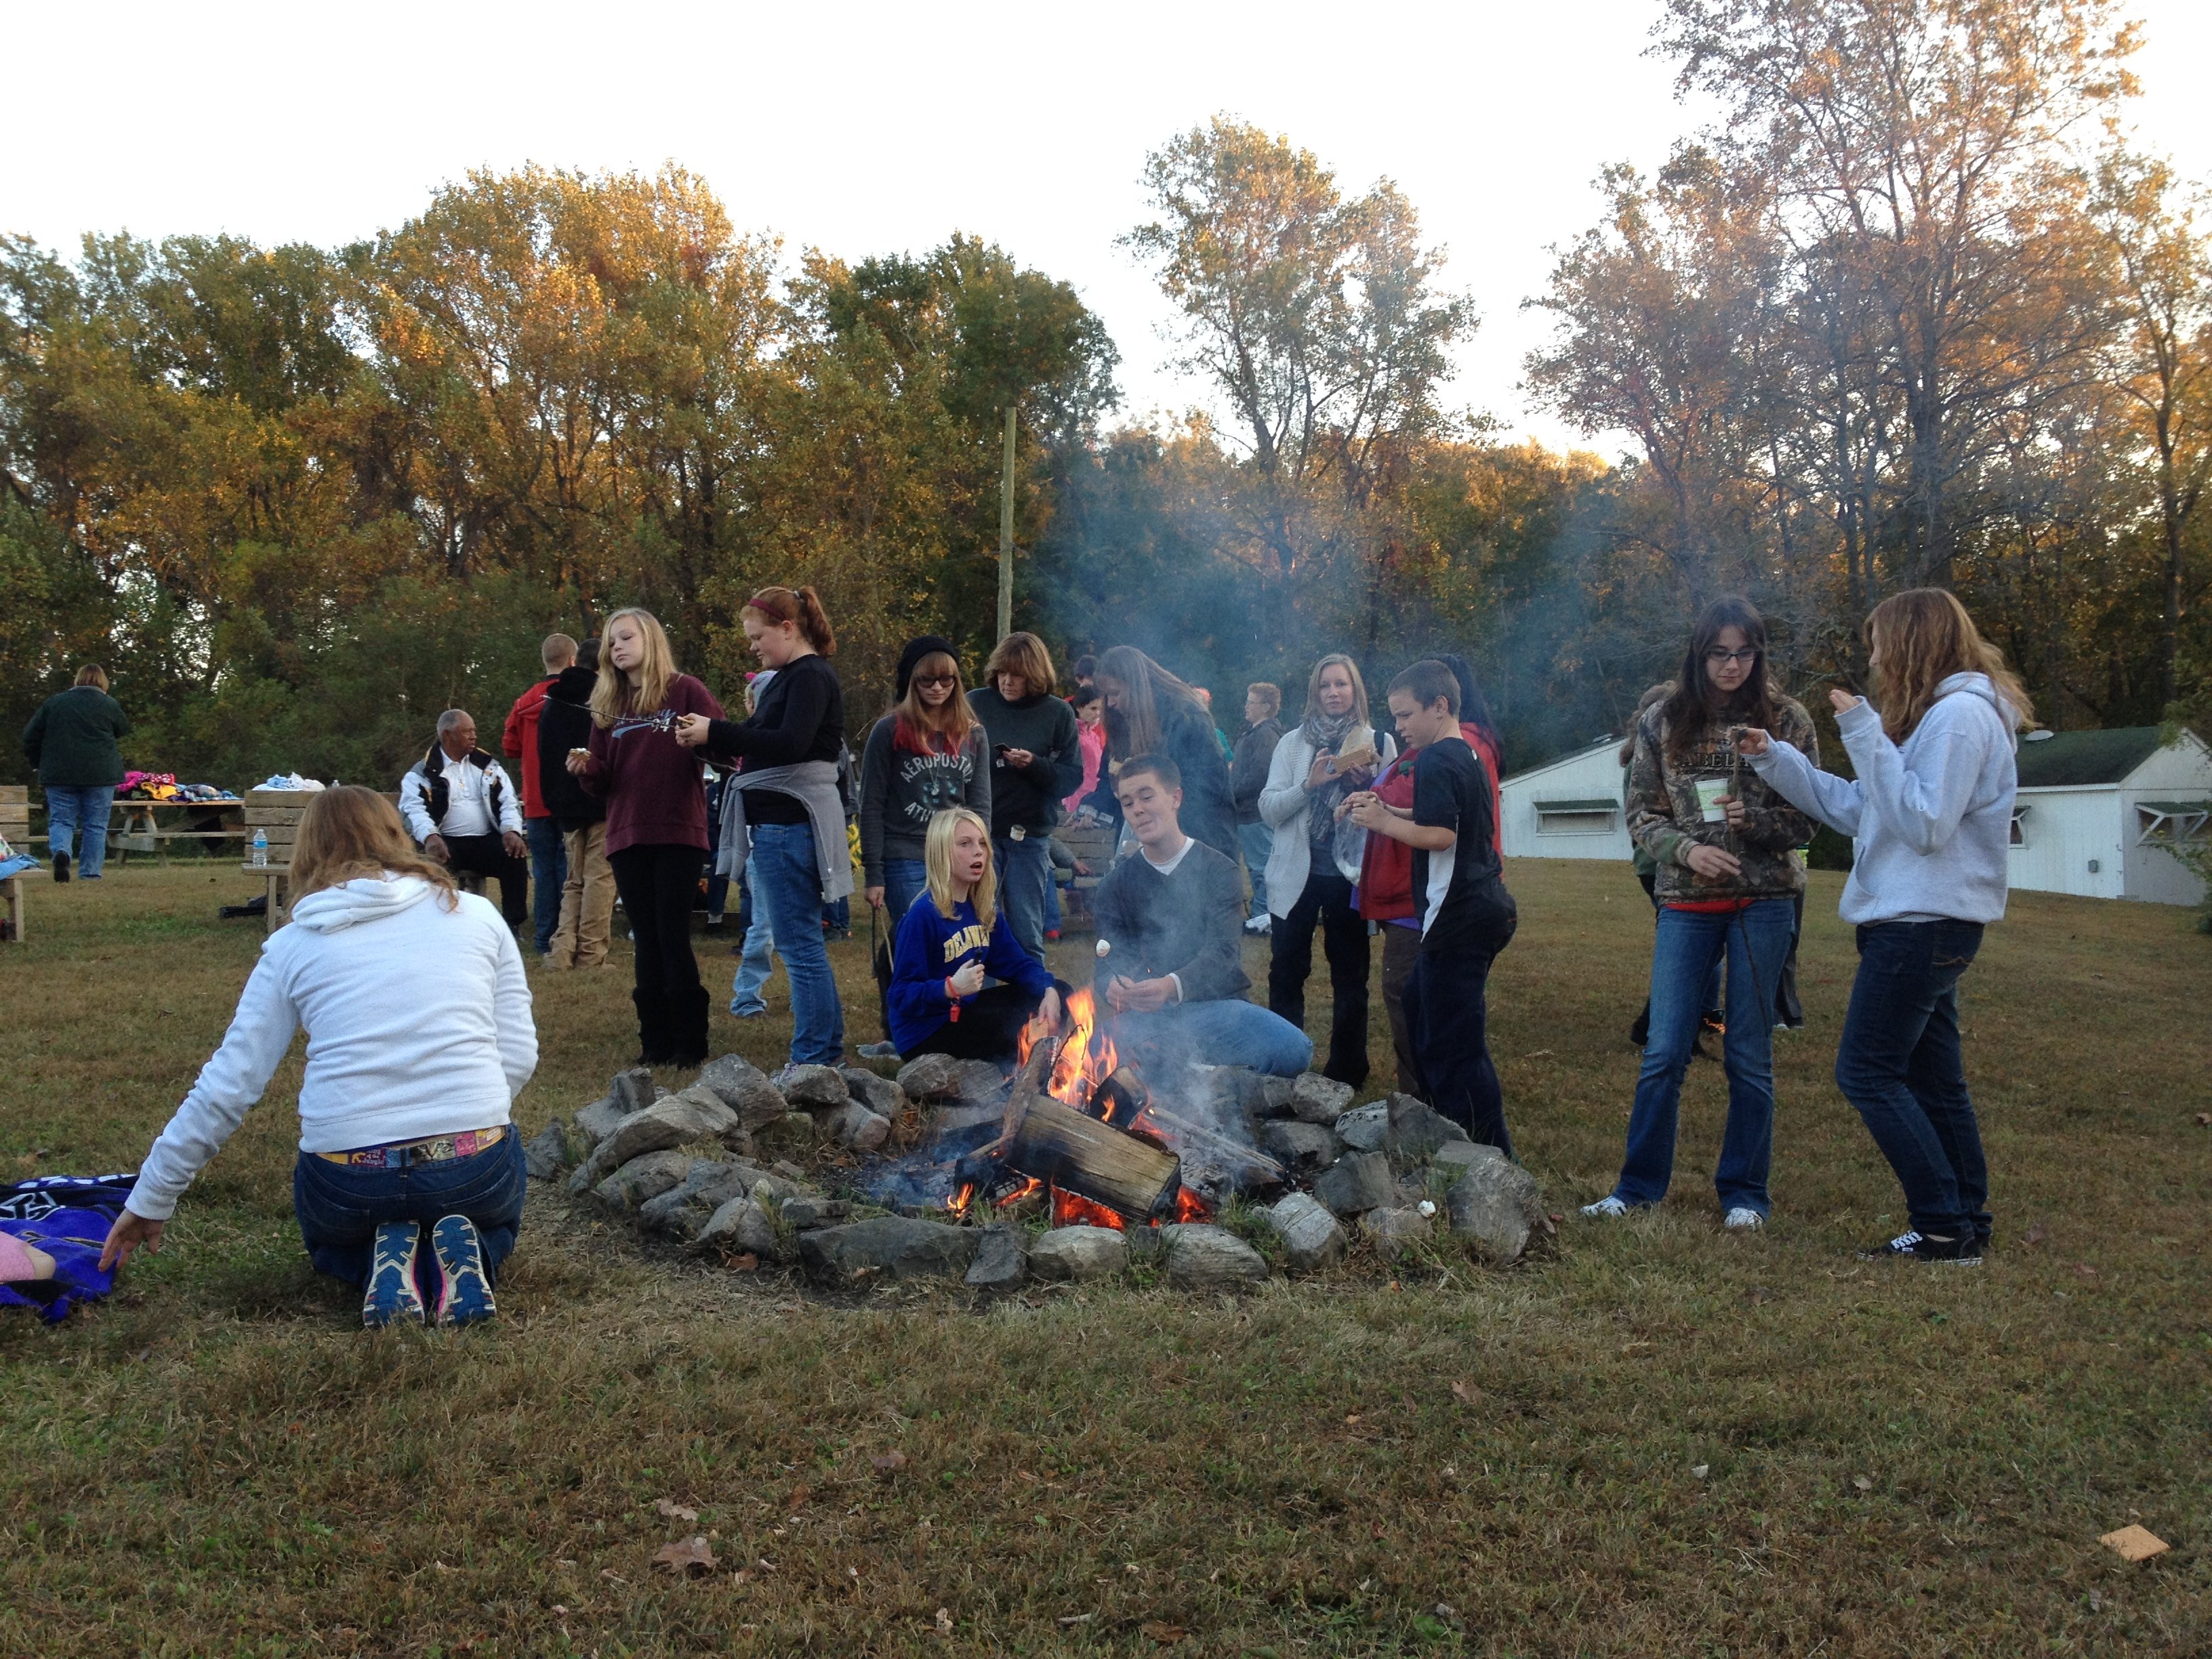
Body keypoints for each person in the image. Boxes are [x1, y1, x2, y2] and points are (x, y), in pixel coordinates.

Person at [96, 786, 535, 1328]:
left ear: (306, 851)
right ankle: (476, 1251)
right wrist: (474, 1112)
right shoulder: (476, 914)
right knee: (495, 1218)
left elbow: (228, 1086)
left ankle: (367, 1259)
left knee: (331, 1246)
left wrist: (151, 1198)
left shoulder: (293, 944)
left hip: (352, 1179)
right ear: (398, 835)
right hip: (472, 1166)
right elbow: (518, 1051)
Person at [1738, 589, 2030, 1265]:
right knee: (1936, 1081)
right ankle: (1966, 1223)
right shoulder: (1937, 720)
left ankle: (1942, 1227)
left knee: (1866, 1072)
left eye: (1878, 644)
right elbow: (1861, 809)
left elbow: (1926, 826)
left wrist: (1865, 732)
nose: (1872, 658)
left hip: (1920, 927)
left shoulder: (1958, 718)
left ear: (1909, 645)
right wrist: (1774, 758)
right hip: (1922, 924)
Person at [1582, 599, 1818, 1230]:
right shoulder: (1664, 720)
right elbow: (1641, 815)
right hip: (1687, 903)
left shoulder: (1788, 721)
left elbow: (1810, 817)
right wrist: (1687, 851)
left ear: (1759, 654)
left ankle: (1744, 1194)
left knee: (1748, 1051)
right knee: (1664, 1051)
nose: (1732, 665)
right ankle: (1636, 1188)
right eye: (1719, 652)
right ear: (1699, 654)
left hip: (1764, 903)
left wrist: (1761, 823)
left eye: (1744, 652)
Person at [675, 586, 849, 1067]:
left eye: (758, 637)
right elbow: (759, 747)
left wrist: (716, 730)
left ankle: (813, 1057)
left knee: (799, 948)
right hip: (782, 825)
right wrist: (706, 742)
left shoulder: (809, 676)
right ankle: (826, 1050)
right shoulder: (794, 677)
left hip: (789, 828)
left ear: (788, 629)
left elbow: (790, 743)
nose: (753, 646)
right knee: (804, 945)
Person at [1345, 661, 1516, 1150]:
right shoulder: (1462, 751)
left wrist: (1382, 825)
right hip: (1479, 908)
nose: (1398, 727)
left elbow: (1441, 835)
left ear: (1439, 706)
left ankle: (1485, 1152)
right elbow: (1441, 815)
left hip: (1460, 917)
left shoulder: (1437, 758)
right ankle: (1452, 1134)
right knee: (1420, 1004)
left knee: (1453, 1047)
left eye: (1404, 716)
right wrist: (1385, 808)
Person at [567, 607, 724, 1066]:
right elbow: (602, 778)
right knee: (646, 938)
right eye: (612, 641)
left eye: (626, 638)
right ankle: (654, 1043)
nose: (617, 647)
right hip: (626, 834)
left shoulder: (685, 690)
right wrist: (584, 769)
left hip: (678, 830)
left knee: (673, 935)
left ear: (650, 640)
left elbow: (723, 743)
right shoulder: (609, 704)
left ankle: (691, 1045)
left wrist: (701, 736)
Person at [1090, 755, 1313, 1078]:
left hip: (1218, 1009)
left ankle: (1193, 1080)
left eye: (1147, 796)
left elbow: (1223, 954)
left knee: (1293, 1050)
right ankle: (1204, 1077)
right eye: (1127, 803)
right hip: (1152, 1020)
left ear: (1176, 798)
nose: (1137, 809)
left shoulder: (1218, 870)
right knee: (1093, 1049)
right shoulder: (1116, 885)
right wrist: (1112, 984)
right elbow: (1107, 956)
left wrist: (1171, 986)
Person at [1258, 655, 1393, 1087]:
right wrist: (1310, 785)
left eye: (1342, 684)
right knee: (1286, 971)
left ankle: (1347, 1070)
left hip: (1348, 877)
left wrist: (1362, 786)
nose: (1334, 693)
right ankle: (1283, 1064)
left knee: (1350, 976)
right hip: (1294, 876)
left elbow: (1391, 811)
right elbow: (1268, 809)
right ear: (1314, 693)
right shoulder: (1293, 744)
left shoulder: (1380, 742)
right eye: (1325, 686)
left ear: (1356, 690)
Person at [888, 808, 1066, 1064]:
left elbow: (1018, 964)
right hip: (926, 1034)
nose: (978, 851)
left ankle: (1035, 1062)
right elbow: (900, 995)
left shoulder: (984, 910)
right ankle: (1026, 1064)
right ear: (942, 852)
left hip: (965, 1012)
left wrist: (1047, 988)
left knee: (1062, 992)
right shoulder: (923, 915)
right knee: (1011, 1023)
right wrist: (950, 988)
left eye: (982, 843)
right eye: (965, 844)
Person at [1617, 682, 1723, 1053]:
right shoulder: (1644, 761)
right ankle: (1658, 1027)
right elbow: (1649, 815)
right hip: (1662, 862)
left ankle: (1693, 1021)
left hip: (1661, 860)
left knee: (1700, 953)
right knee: (1692, 953)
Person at [966, 632, 1084, 962]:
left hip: (1028, 836)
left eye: (1016, 675)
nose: (1007, 681)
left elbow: (1071, 778)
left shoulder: (1058, 713)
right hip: (979, 833)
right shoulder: (976, 703)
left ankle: (1032, 1008)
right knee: (978, 931)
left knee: (1026, 932)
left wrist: (1034, 765)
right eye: (1002, 672)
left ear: (1034, 676)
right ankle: (984, 1008)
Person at [860, 636, 991, 929]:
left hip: (956, 855)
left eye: (947, 680)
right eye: (927, 680)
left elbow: (980, 806)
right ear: (911, 681)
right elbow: (871, 804)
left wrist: (980, 855)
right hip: (905, 857)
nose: (937, 688)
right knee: (919, 940)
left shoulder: (974, 735)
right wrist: (874, 874)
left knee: (966, 939)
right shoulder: (888, 730)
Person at [1090, 645, 1242, 865]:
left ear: (1136, 685)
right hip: (1159, 847)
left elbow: (1205, 792)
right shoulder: (1128, 722)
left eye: (1116, 693)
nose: (1111, 703)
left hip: (1201, 847)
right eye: (1107, 695)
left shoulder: (1185, 716)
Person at [399, 710, 530, 928]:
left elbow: (508, 801)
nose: (473, 736)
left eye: (474, 731)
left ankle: (512, 925)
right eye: (467, 731)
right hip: (446, 842)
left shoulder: (488, 765)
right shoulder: (423, 772)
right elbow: (413, 809)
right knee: (434, 864)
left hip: (485, 840)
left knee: (514, 856)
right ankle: (444, 923)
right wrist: (430, 836)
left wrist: (511, 830)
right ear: (448, 735)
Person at [536, 638, 615, 969]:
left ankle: (562, 949)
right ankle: (591, 952)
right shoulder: (603, 700)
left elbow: (545, 754)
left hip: (564, 802)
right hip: (597, 799)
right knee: (600, 877)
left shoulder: (553, 701)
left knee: (574, 879)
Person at [22, 664, 129, 884]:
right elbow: (123, 729)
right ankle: (90, 873)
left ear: (77, 680)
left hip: (59, 775)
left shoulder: (54, 703)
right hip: (101, 775)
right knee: (96, 826)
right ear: (103, 682)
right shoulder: (109, 705)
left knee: (61, 820)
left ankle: (62, 852)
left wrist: (38, 763)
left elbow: (29, 736)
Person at [504, 633, 577, 956]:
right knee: (570, 869)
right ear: (573, 660)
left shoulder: (524, 703)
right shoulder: (575, 696)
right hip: (568, 795)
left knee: (544, 870)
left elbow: (510, 747)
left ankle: (543, 936)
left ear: (544, 661)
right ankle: (567, 935)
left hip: (535, 799)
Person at [1231, 682, 1284, 934]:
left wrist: (1233, 793)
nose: (1246, 706)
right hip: (1248, 812)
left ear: (1266, 707)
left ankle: (1265, 919)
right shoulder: (1256, 734)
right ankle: (1263, 915)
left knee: (1262, 867)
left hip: (1254, 812)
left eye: (1251, 702)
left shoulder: (1265, 735)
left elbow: (1258, 775)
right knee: (1258, 866)